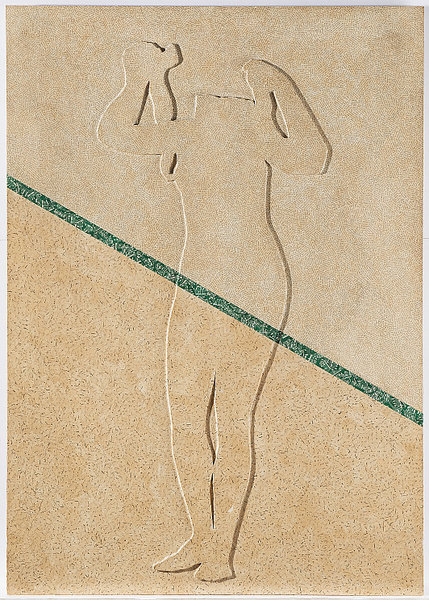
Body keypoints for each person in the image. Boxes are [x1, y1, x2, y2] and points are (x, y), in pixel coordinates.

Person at [98, 41, 331, 582]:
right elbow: (115, 134)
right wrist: (141, 76)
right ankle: (202, 538)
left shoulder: (253, 136)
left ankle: (222, 548)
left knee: (231, 417)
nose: (219, 103)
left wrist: (279, 84)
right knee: (185, 415)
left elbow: (315, 157)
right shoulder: (192, 133)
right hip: (199, 283)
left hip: (253, 285)